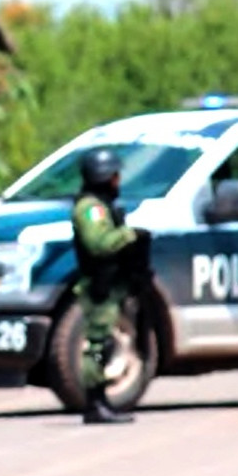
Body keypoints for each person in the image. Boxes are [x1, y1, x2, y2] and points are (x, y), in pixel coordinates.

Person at [70, 148, 150, 425]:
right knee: (97, 344)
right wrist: (129, 235)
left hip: (110, 283)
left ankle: (100, 402)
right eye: (114, 174)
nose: (118, 180)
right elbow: (98, 243)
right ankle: (95, 403)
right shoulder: (90, 208)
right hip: (98, 286)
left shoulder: (102, 205)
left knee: (103, 342)